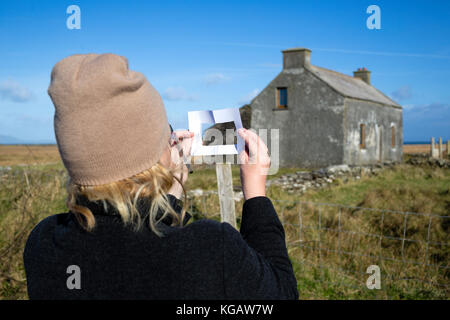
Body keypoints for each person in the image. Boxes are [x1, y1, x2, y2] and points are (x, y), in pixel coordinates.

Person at [23, 53, 299, 300]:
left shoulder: (44, 242)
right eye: (166, 132)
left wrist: (172, 189)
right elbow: (282, 291)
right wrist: (256, 194)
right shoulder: (212, 249)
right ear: (157, 154)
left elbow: (140, 239)